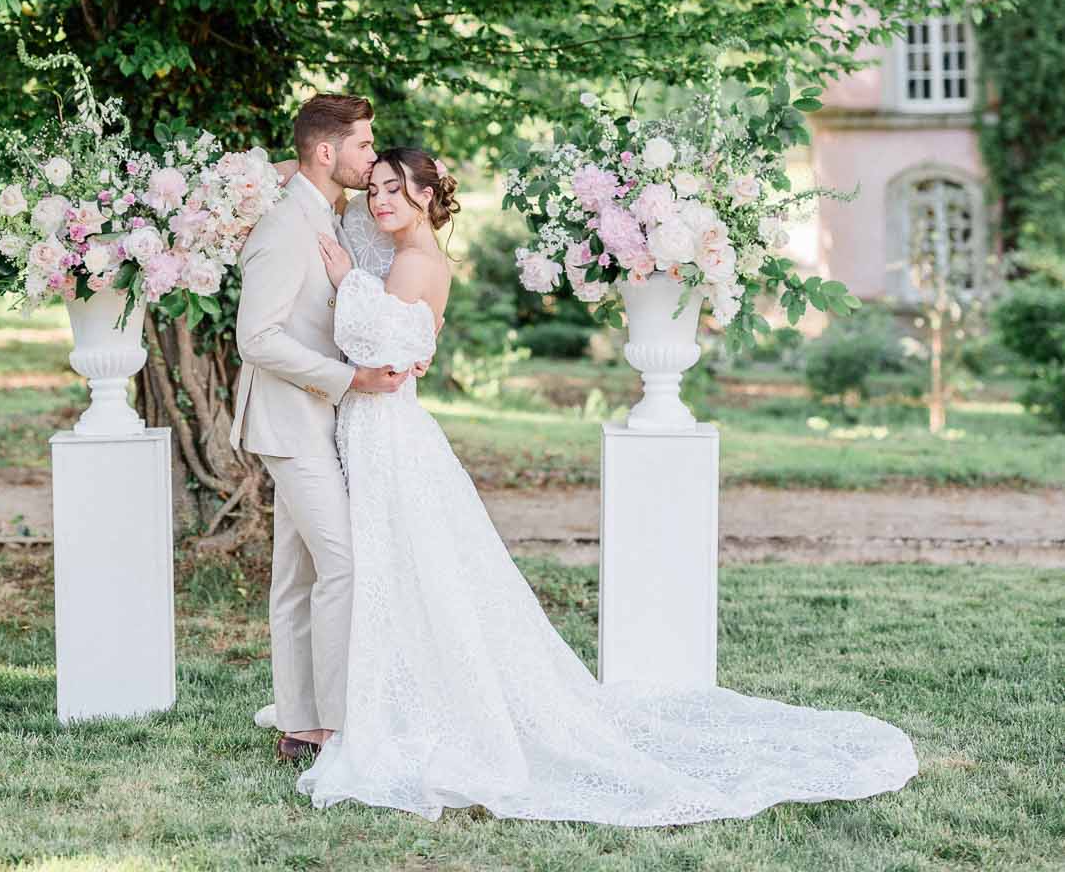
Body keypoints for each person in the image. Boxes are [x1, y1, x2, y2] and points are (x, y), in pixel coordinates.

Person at [298, 146, 920, 826]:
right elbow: (406, 341)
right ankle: (401, 691)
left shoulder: (412, 263)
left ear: (425, 194)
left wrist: (346, 282)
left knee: (407, 565)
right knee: (407, 566)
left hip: (387, 429)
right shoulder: (415, 260)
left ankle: (413, 705)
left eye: (394, 188)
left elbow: (370, 341)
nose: (379, 200)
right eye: (374, 189)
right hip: (386, 428)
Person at [229, 93, 415, 763]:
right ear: (328, 151)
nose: (373, 156)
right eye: (364, 144)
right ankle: (337, 725)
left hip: (317, 422)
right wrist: (349, 380)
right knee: (343, 565)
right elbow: (256, 338)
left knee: (298, 574)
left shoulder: (325, 211)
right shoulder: (286, 226)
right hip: (290, 422)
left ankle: (301, 724)